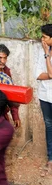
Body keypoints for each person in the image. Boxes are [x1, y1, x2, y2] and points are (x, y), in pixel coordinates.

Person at [35, 24, 52, 177]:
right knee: (49, 126)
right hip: (44, 96)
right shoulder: (40, 51)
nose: (42, 40)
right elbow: (38, 74)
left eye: (45, 37)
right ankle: (50, 160)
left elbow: (50, 73)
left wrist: (47, 55)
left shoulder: (44, 52)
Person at [0, 44, 20, 128]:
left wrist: (15, 115)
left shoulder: (6, 72)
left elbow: (11, 93)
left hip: (1, 112)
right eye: (0, 58)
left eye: (5, 58)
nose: (3, 61)